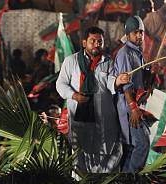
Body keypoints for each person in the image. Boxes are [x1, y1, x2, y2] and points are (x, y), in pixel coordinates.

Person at [56, 27, 130, 173]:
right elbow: (60, 84)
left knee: (103, 151)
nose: (97, 44)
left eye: (100, 41)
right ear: (84, 43)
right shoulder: (71, 61)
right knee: (79, 153)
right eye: (93, 41)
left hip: (102, 117)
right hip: (79, 115)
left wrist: (118, 81)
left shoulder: (108, 62)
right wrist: (74, 95)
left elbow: (110, 82)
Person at [114, 16, 151, 173]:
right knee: (142, 143)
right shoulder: (125, 54)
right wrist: (133, 107)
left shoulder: (138, 53)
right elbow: (125, 84)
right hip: (129, 106)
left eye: (141, 32)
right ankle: (133, 180)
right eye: (136, 32)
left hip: (136, 105)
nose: (139, 36)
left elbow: (140, 80)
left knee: (130, 148)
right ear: (128, 34)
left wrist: (150, 76)